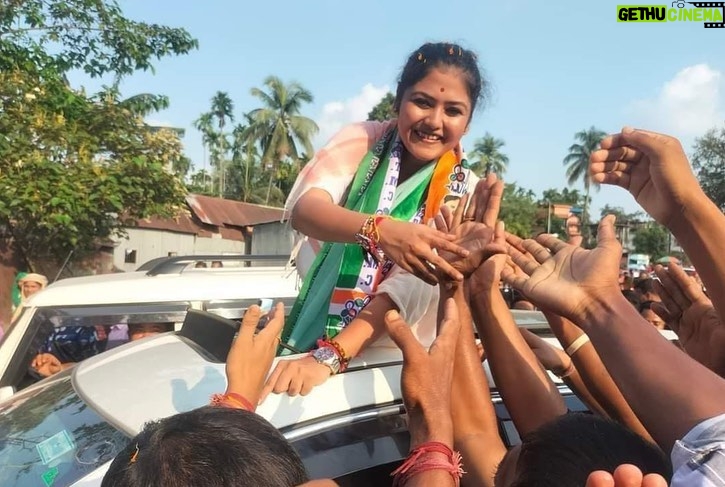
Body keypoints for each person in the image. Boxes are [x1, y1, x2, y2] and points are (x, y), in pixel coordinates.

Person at [265, 41, 489, 398]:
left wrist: (329, 357)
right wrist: (379, 231)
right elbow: (306, 210)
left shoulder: (462, 190)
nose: (434, 121)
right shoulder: (363, 141)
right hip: (311, 338)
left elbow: (408, 288)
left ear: (467, 123)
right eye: (423, 102)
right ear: (398, 102)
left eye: (453, 111)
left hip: (395, 363)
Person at [31, 322, 173, 377]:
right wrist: (60, 368)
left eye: (155, 330)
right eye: (139, 330)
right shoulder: (124, 358)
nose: (146, 336)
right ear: (129, 335)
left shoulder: (174, 361)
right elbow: (95, 368)